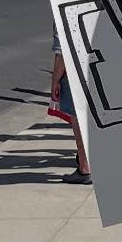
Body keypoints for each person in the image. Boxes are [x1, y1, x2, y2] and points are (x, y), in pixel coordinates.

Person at [49, 33, 91, 186]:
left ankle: (85, 166)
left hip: (76, 72)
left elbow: (63, 50)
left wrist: (55, 80)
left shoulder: (63, 8)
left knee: (78, 117)